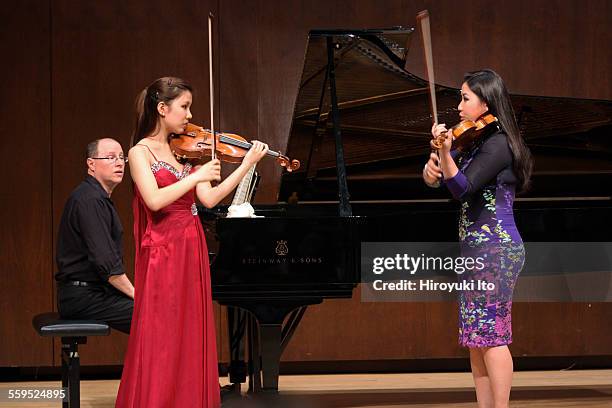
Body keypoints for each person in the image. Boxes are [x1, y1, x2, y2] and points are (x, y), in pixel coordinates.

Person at [115, 77, 268, 408]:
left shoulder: (180, 150)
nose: (189, 114)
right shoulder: (138, 152)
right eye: (184, 106)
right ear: (162, 108)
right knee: (163, 331)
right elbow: (154, 200)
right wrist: (196, 176)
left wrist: (245, 165)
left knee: (189, 330)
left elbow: (210, 199)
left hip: (191, 245)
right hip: (163, 249)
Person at [423, 69, 533, 408]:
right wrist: (431, 168)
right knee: (476, 338)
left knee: (493, 336)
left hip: (496, 250)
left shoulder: (498, 144)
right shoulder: (474, 142)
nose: (458, 106)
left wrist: (444, 154)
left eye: (465, 98)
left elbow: (462, 188)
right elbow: (442, 177)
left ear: (485, 102)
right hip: (476, 252)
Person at [56, 138, 134, 334]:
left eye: (121, 158)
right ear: (91, 164)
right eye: (110, 157)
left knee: (156, 310)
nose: (118, 163)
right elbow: (107, 263)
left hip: (93, 293)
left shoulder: (96, 197)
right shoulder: (89, 200)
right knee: (152, 314)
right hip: (82, 297)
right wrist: (137, 295)